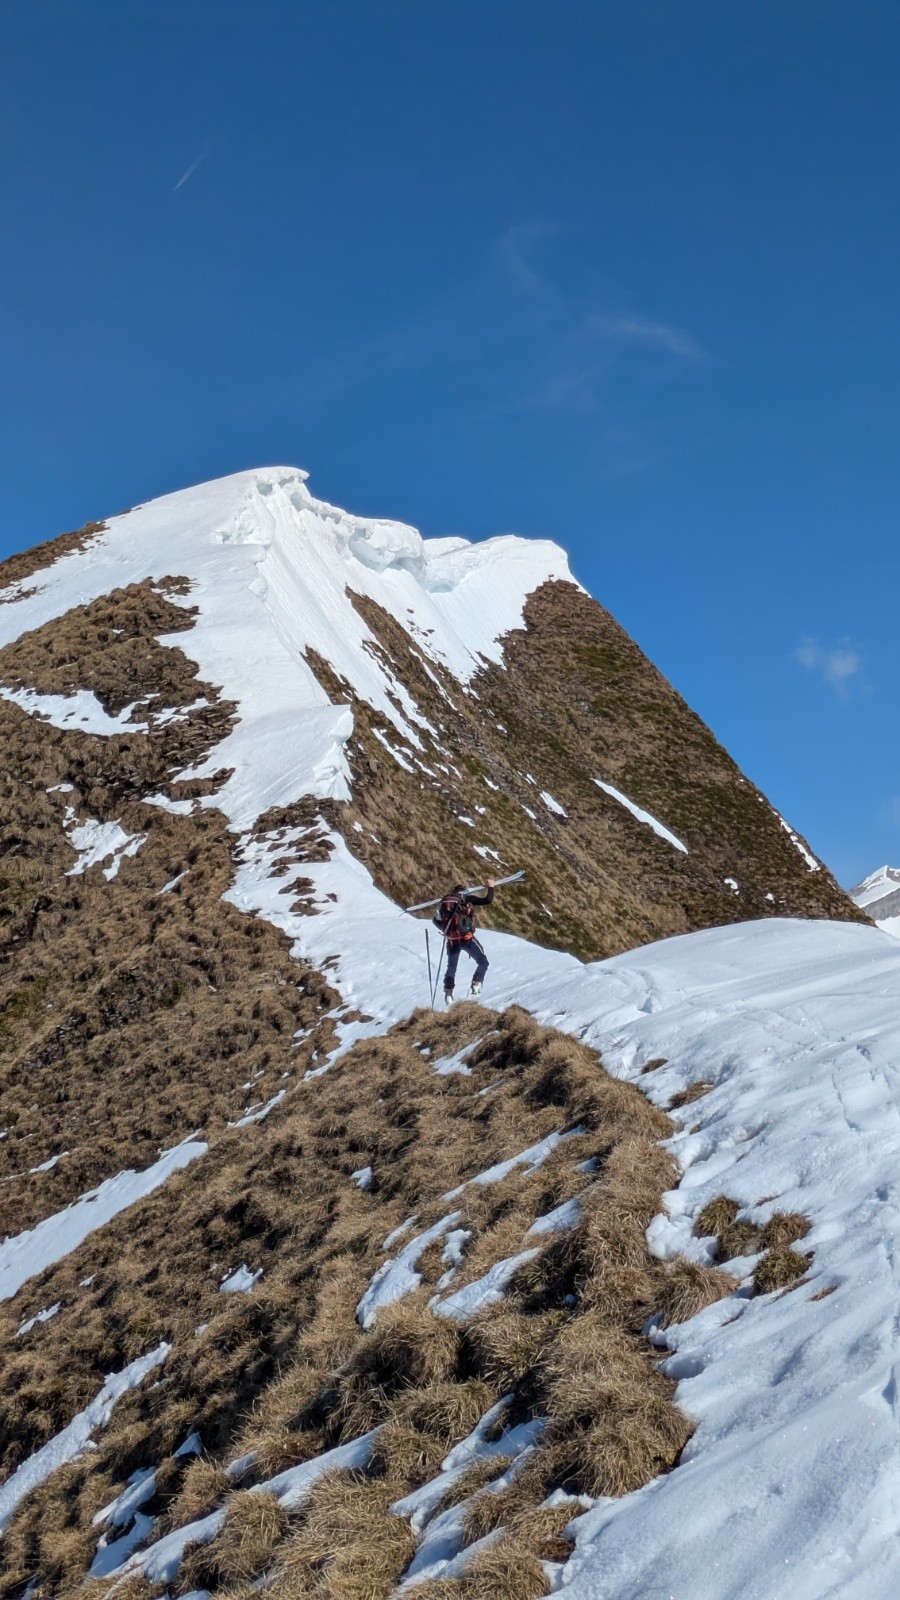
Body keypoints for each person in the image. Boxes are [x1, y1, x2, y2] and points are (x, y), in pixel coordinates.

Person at [433, 878, 496, 1001]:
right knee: (483, 962)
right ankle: (477, 983)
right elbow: (488, 900)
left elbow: (435, 921)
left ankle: (448, 992)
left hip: (452, 940)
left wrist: (446, 930)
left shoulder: (446, 904)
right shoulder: (468, 899)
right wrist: (491, 887)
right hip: (467, 939)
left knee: (451, 967)